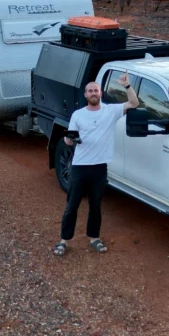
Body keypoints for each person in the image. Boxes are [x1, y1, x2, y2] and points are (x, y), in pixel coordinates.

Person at [53, 72, 139, 256]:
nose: (93, 93)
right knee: (72, 205)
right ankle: (63, 240)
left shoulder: (111, 111)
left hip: (100, 167)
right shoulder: (78, 115)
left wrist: (127, 86)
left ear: (100, 94)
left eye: (96, 90)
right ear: (85, 95)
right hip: (79, 167)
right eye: (90, 91)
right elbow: (70, 141)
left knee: (96, 205)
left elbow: (134, 103)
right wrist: (69, 140)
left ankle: (94, 238)